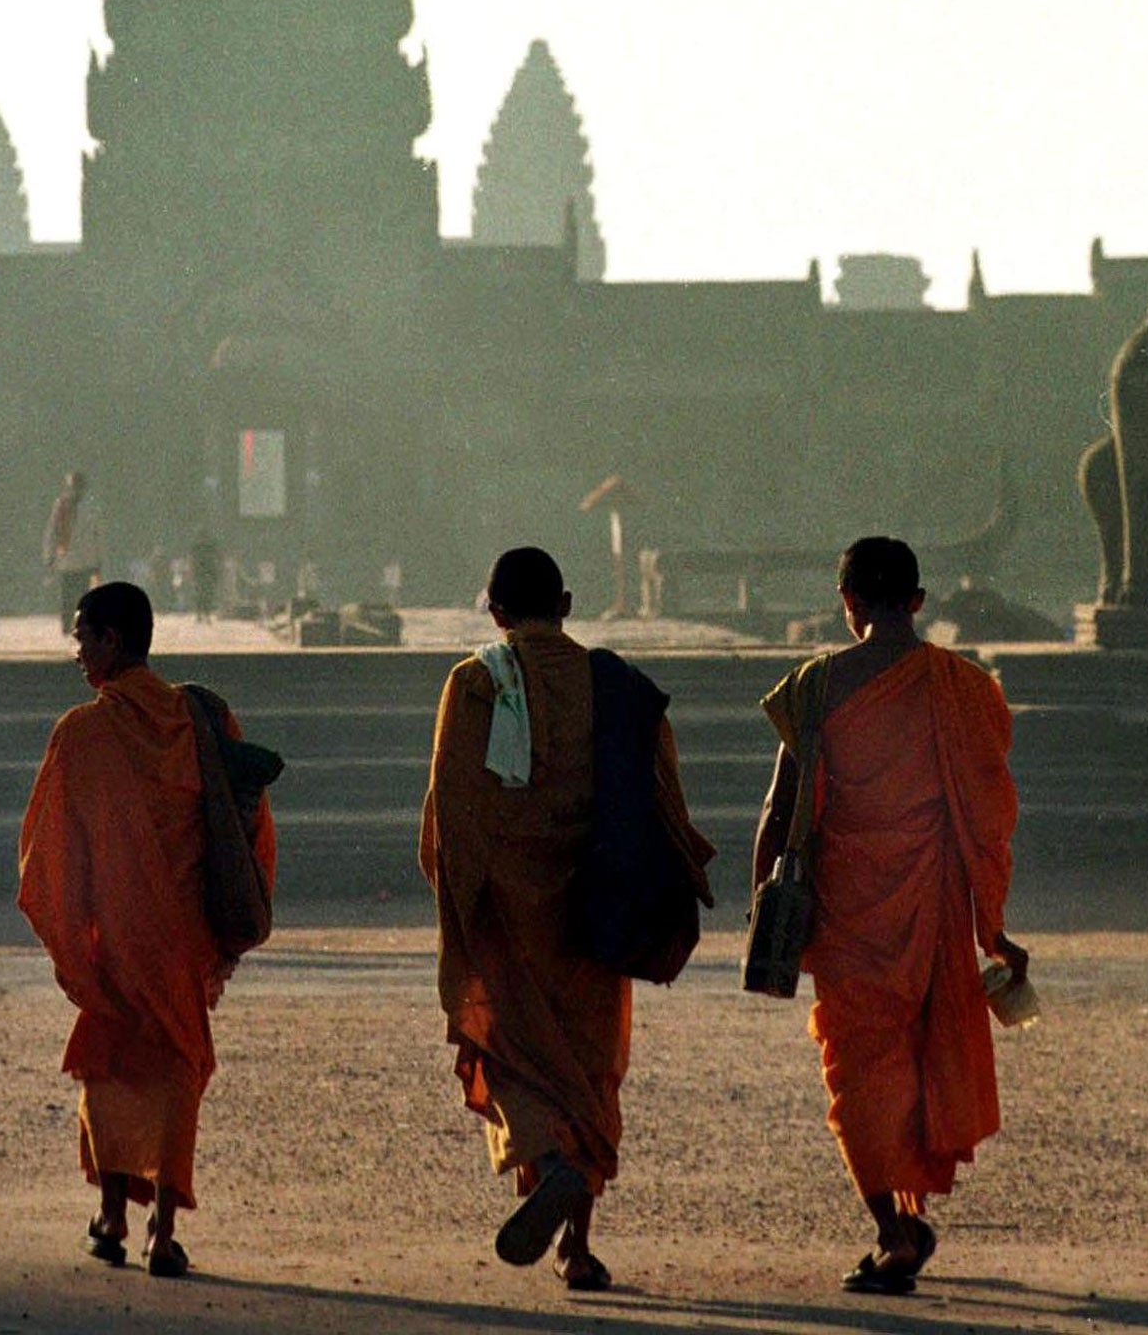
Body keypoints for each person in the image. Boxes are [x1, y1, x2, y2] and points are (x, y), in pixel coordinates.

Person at [420, 546, 707, 1293]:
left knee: (515, 1056)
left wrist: (459, 901)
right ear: (569, 605)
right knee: (587, 1076)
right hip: (595, 908)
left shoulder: (477, 681)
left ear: (494, 611)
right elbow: (661, 792)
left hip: (507, 922)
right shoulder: (613, 687)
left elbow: (451, 811)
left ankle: (548, 1164)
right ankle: (576, 1248)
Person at [752, 537, 1025, 1296]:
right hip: (935, 906)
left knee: (861, 1073)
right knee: (913, 1058)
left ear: (848, 606)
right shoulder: (965, 688)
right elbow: (988, 820)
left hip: (846, 910)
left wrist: (763, 909)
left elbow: (779, 811)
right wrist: (992, 928)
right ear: (916, 601)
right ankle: (902, 1218)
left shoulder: (817, 685)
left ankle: (893, 1233)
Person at [17, 582, 277, 1278]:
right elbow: (250, 829)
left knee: (110, 1070)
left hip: (118, 937)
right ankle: (161, 1229)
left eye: (82, 637)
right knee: (175, 1071)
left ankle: (111, 1215)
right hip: (183, 936)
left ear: (110, 641)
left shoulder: (81, 734)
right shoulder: (200, 720)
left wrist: (74, 938)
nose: (76, 651)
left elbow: (50, 856)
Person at [43, 471, 105, 636]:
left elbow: (97, 534)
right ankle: (66, 625)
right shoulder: (61, 506)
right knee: (67, 596)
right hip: (67, 559)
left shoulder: (91, 507)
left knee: (81, 596)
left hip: (84, 560)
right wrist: (49, 554)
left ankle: (78, 625)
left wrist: (98, 558)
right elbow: (53, 531)